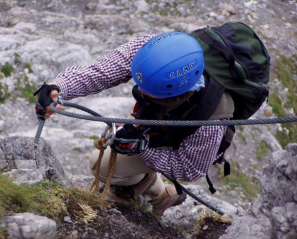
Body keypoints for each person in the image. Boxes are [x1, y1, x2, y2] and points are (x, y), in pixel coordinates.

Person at [34, 32, 235, 216]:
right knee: (108, 157)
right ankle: (161, 194)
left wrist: (143, 148)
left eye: (147, 89)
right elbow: (101, 72)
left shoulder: (211, 122)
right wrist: (59, 87)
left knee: (101, 166)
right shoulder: (150, 52)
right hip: (155, 125)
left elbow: (189, 169)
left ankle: (137, 194)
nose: (139, 89)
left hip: (181, 143)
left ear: (170, 95)